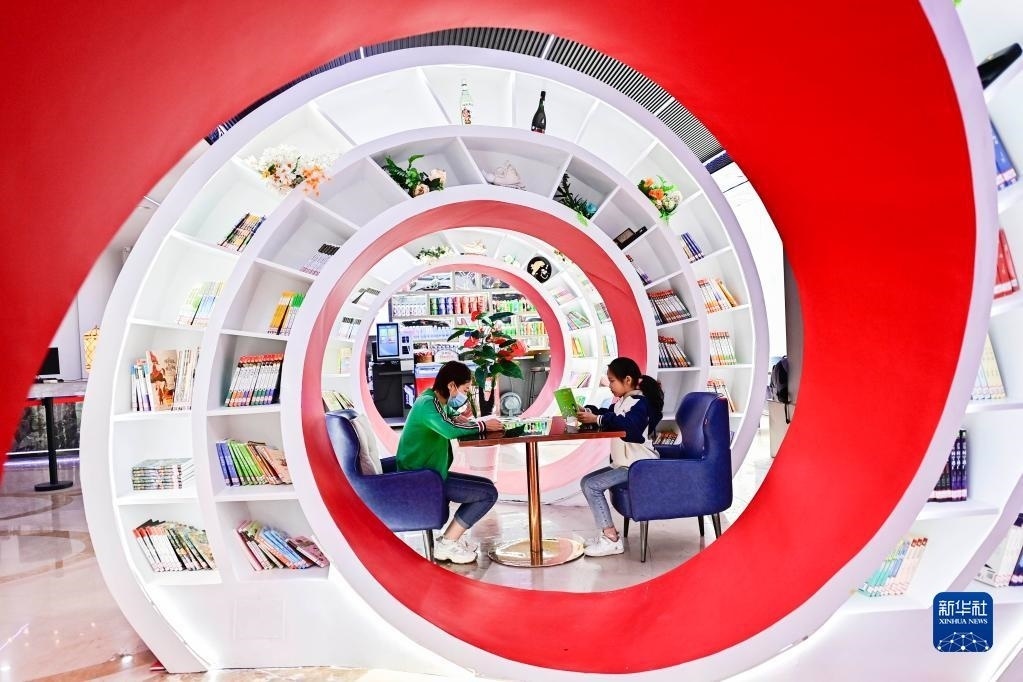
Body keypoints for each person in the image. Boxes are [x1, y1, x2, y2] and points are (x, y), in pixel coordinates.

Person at [397, 361, 504, 563]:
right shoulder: (427, 404)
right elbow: (448, 430)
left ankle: (451, 538)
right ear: (452, 385)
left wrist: (461, 418)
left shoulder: (435, 401)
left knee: (487, 486)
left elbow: (448, 415)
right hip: (421, 480)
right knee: (488, 494)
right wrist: (482, 426)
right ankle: (447, 543)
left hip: (430, 474)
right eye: (464, 390)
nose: (465, 395)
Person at [577, 357, 664, 557]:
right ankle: (607, 534)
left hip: (638, 466)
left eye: (612, 381)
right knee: (586, 482)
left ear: (627, 380)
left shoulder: (640, 403)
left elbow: (629, 427)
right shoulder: (623, 401)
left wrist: (598, 418)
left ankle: (611, 540)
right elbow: (609, 414)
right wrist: (589, 412)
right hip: (624, 464)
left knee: (592, 486)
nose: (609, 386)